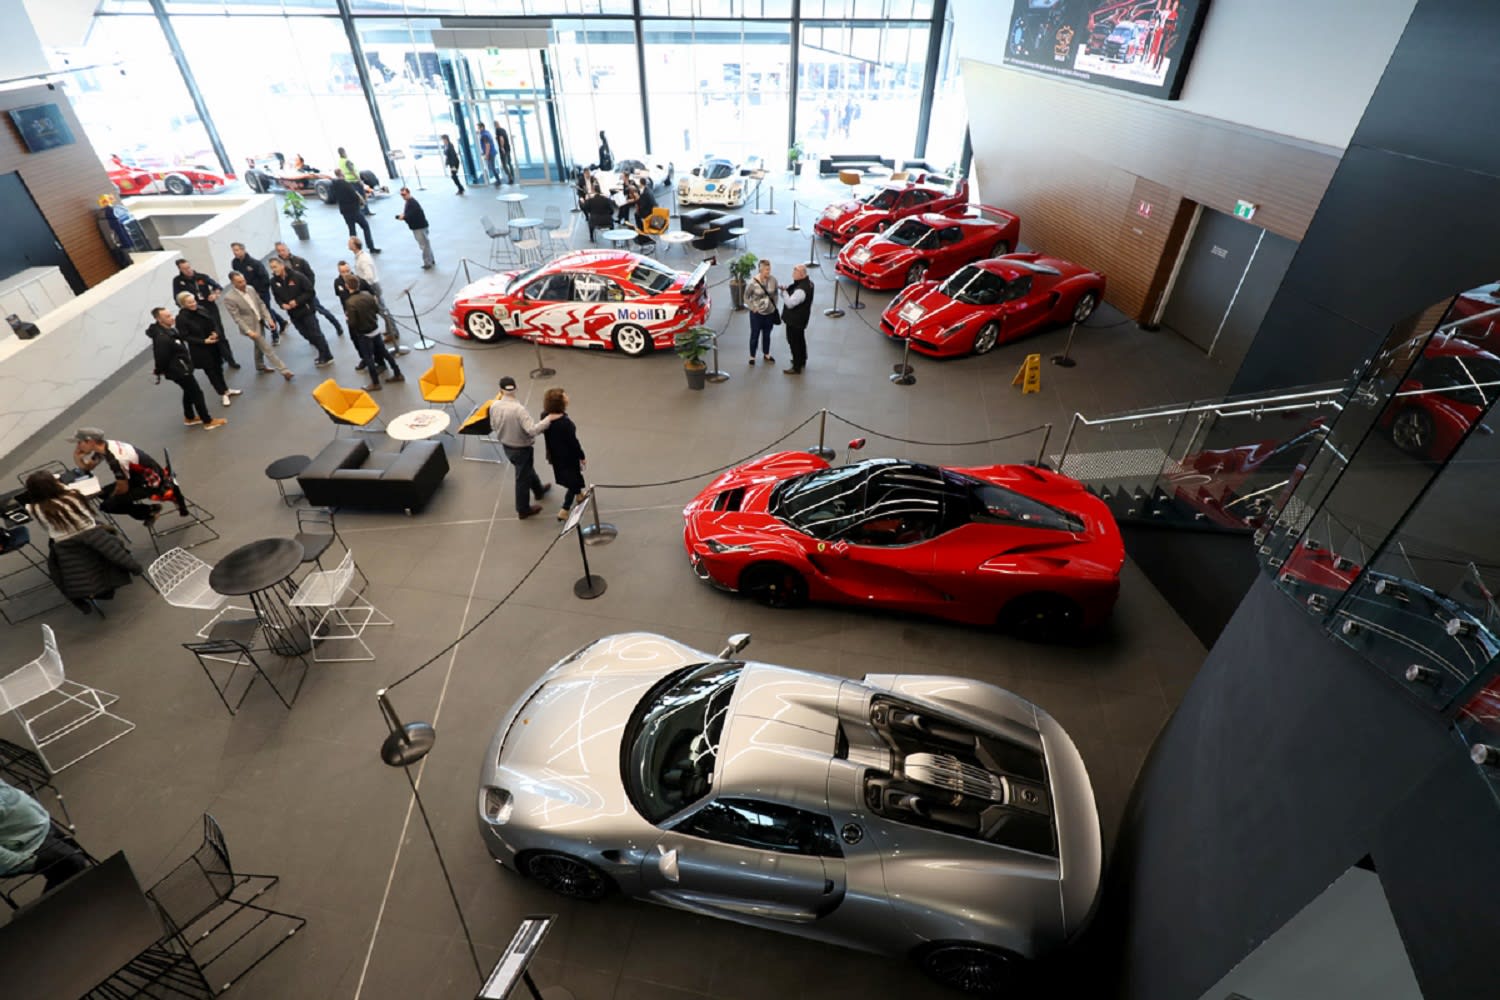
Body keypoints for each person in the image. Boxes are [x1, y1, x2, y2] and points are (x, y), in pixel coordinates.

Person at [0, 777, 90, 893]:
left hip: (37, 827)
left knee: (77, 864)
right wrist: (28, 862)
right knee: (75, 864)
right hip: (27, 847)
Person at [489, 375, 557, 519]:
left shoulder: (494, 406)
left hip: (507, 447)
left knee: (526, 470)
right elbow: (532, 430)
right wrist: (548, 419)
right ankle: (523, 509)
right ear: (516, 388)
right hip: (521, 448)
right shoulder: (519, 410)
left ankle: (538, 490)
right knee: (522, 478)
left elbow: (493, 425)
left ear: (500, 390)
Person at [71, 428, 173, 524]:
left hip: (152, 483)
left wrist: (111, 497)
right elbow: (88, 467)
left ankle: (149, 512)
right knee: (102, 494)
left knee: (107, 506)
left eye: (79, 443)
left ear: (91, 442)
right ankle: (146, 509)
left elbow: (123, 488)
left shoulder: (116, 459)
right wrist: (77, 457)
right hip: (139, 477)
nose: (78, 446)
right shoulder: (105, 446)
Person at [146, 307, 222, 428]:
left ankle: (189, 417)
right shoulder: (162, 338)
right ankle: (207, 421)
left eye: (171, 315)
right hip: (179, 370)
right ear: (159, 320)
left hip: (182, 367)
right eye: (167, 317)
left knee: (188, 391)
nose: (172, 318)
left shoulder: (169, 331)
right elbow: (161, 357)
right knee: (196, 393)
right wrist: (159, 370)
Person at [224, 271, 294, 380]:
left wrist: (269, 319)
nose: (243, 283)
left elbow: (261, 304)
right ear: (233, 283)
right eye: (239, 282)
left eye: (243, 280)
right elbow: (237, 317)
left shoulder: (251, 289)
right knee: (266, 348)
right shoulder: (229, 298)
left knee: (259, 345)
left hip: (260, 321)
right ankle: (284, 371)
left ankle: (259, 365)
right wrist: (248, 331)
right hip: (250, 327)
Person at [171, 259, 238, 369]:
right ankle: (216, 359)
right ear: (180, 269)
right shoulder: (178, 281)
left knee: (219, 333)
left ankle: (230, 358)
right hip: (194, 313)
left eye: (188, 267)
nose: (188, 270)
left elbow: (217, 287)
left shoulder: (201, 277)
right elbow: (177, 298)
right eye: (185, 269)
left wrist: (215, 294)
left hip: (209, 309)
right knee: (204, 335)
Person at [176, 290, 239, 406]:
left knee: (218, 368)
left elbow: (214, 323)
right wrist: (204, 341)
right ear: (183, 304)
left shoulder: (201, 309)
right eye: (190, 303)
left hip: (214, 345)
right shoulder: (181, 318)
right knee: (211, 373)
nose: (194, 304)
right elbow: (185, 336)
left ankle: (226, 389)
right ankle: (222, 393)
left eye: (194, 301)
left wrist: (216, 333)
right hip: (201, 350)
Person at [269, 258, 335, 367]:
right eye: (271, 268)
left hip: (306, 310)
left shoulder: (298, 276)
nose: (273, 270)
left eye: (275, 267)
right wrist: (282, 305)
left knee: (315, 333)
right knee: (305, 334)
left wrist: (297, 301)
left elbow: (310, 292)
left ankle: (327, 355)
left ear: (282, 265)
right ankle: (322, 352)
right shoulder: (274, 282)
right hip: (293, 314)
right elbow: (277, 297)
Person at [342, 275, 404, 392]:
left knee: (368, 358)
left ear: (347, 286)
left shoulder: (350, 302)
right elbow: (376, 310)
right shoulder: (367, 295)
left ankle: (375, 383)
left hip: (364, 334)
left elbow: (353, 323)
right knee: (384, 352)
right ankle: (397, 373)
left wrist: (348, 319)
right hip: (375, 329)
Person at [275, 242, 344, 335]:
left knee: (321, 310)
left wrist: (308, 289)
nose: (281, 252)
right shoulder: (278, 266)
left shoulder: (299, 261)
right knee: (309, 318)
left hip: (306, 294)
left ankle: (337, 325)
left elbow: (310, 275)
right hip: (294, 298)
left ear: (288, 249)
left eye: (283, 250)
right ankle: (317, 335)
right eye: (279, 251)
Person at [348, 237, 402, 351]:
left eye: (350, 243)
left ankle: (393, 331)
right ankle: (390, 329)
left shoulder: (363, 259)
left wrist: (361, 284)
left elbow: (369, 276)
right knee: (382, 309)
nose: (348, 244)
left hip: (372, 287)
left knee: (382, 310)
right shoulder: (360, 257)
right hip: (371, 286)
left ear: (355, 245)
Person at [540, 388, 585, 521]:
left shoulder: (545, 416)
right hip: (568, 457)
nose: (567, 397)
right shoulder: (566, 424)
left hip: (555, 455)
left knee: (572, 477)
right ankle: (565, 509)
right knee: (574, 480)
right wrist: (581, 456)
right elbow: (573, 443)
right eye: (565, 397)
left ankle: (580, 495)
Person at [229, 242, 286, 342]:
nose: (235, 252)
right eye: (233, 250)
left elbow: (265, 278)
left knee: (266, 311)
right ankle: (282, 322)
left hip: (260, 292)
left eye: (237, 250)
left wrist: (260, 292)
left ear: (243, 250)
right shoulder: (235, 263)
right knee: (262, 310)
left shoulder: (255, 263)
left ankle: (275, 334)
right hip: (247, 292)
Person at [779, 263, 814, 374]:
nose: (793, 274)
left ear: (801, 274)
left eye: (795, 272)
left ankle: (796, 366)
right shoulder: (809, 283)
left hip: (795, 320)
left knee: (793, 341)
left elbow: (790, 304)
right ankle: (802, 359)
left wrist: (784, 292)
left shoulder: (801, 290)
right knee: (800, 339)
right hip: (802, 318)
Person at [329, 175, 379, 252]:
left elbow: (334, 196)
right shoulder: (347, 185)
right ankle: (371, 247)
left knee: (352, 231)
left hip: (345, 212)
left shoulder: (335, 186)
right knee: (365, 226)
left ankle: (355, 249)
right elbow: (355, 197)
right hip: (354, 210)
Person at [744, 258, 779, 365]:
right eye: (766, 270)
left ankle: (766, 353)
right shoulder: (753, 282)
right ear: (761, 269)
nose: (769, 271)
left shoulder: (773, 280)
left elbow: (775, 294)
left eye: (769, 269)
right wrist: (752, 307)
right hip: (757, 314)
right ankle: (752, 356)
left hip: (769, 313)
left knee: (767, 334)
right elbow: (746, 297)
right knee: (755, 335)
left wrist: (774, 306)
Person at [396, 187, 434, 269]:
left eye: (404, 194)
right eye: (401, 195)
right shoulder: (410, 202)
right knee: (426, 244)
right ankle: (431, 260)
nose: (403, 196)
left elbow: (410, 215)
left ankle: (428, 263)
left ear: (408, 193)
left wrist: (402, 217)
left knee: (424, 245)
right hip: (420, 226)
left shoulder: (411, 203)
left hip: (419, 228)